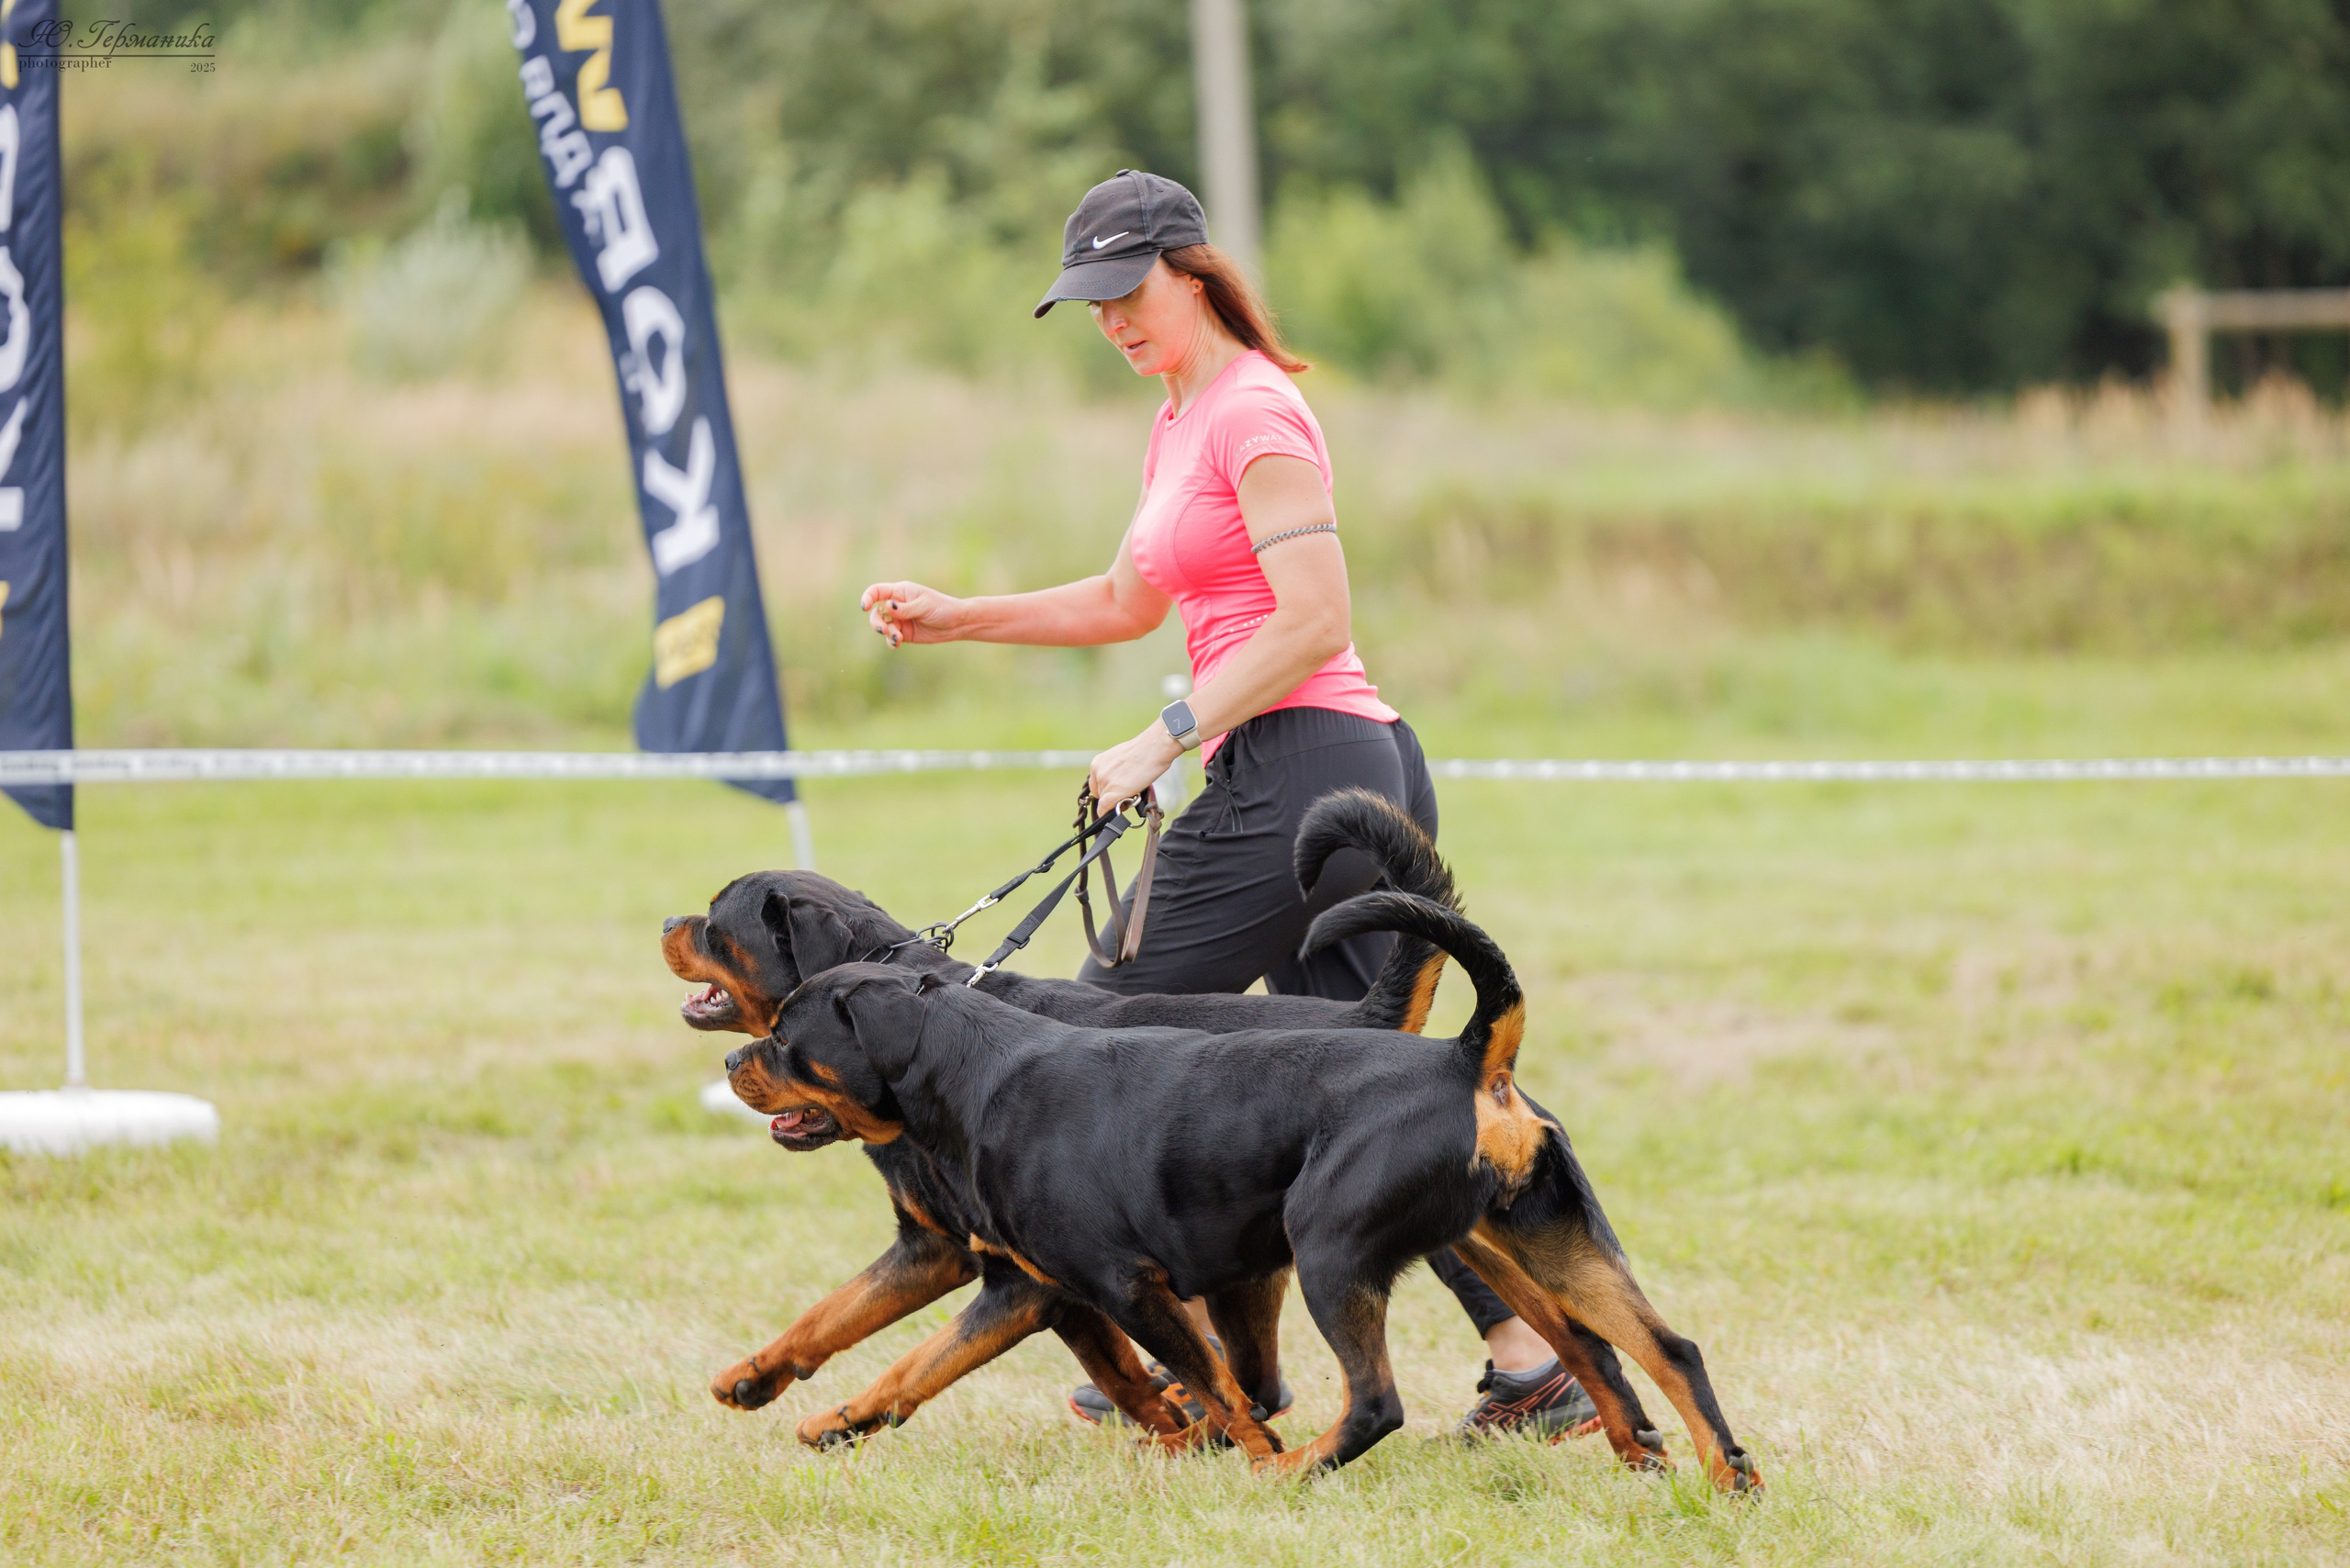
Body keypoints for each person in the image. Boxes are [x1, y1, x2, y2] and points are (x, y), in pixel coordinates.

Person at [858, 170, 1595, 1441]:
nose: (1113, 323)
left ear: (1193, 270)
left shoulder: (1258, 412)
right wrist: (958, 615)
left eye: (1128, 294)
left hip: (1305, 767)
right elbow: (1125, 599)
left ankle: (1186, 1362)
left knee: (1086, 1040)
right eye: (1091, 306)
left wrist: (1164, 737)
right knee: (1383, 1093)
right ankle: (1536, 1362)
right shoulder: (1180, 415)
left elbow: (1315, 623)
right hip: (1329, 764)